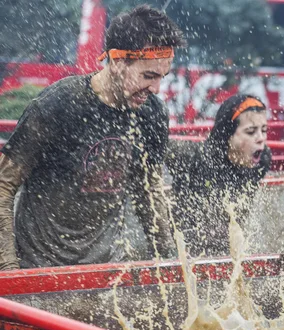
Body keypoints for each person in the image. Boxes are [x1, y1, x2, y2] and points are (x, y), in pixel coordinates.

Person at [0, 5, 185, 270]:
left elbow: (149, 191)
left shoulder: (152, 115)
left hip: (107, 273)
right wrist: (8, 269)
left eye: (161, 77)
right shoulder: (60, 103)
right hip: (41, 269)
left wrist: (169, 260)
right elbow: (4, 184)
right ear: (118, 62)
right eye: (149, 76)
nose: (156, 88)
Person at [167, 94, 271, 257]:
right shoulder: (197, 157)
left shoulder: (262, 161)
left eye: (264, 130)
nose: (261, 139)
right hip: (184, 251)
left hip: (229, 248)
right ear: (227, 136)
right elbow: (161, 147)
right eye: (251, 132)